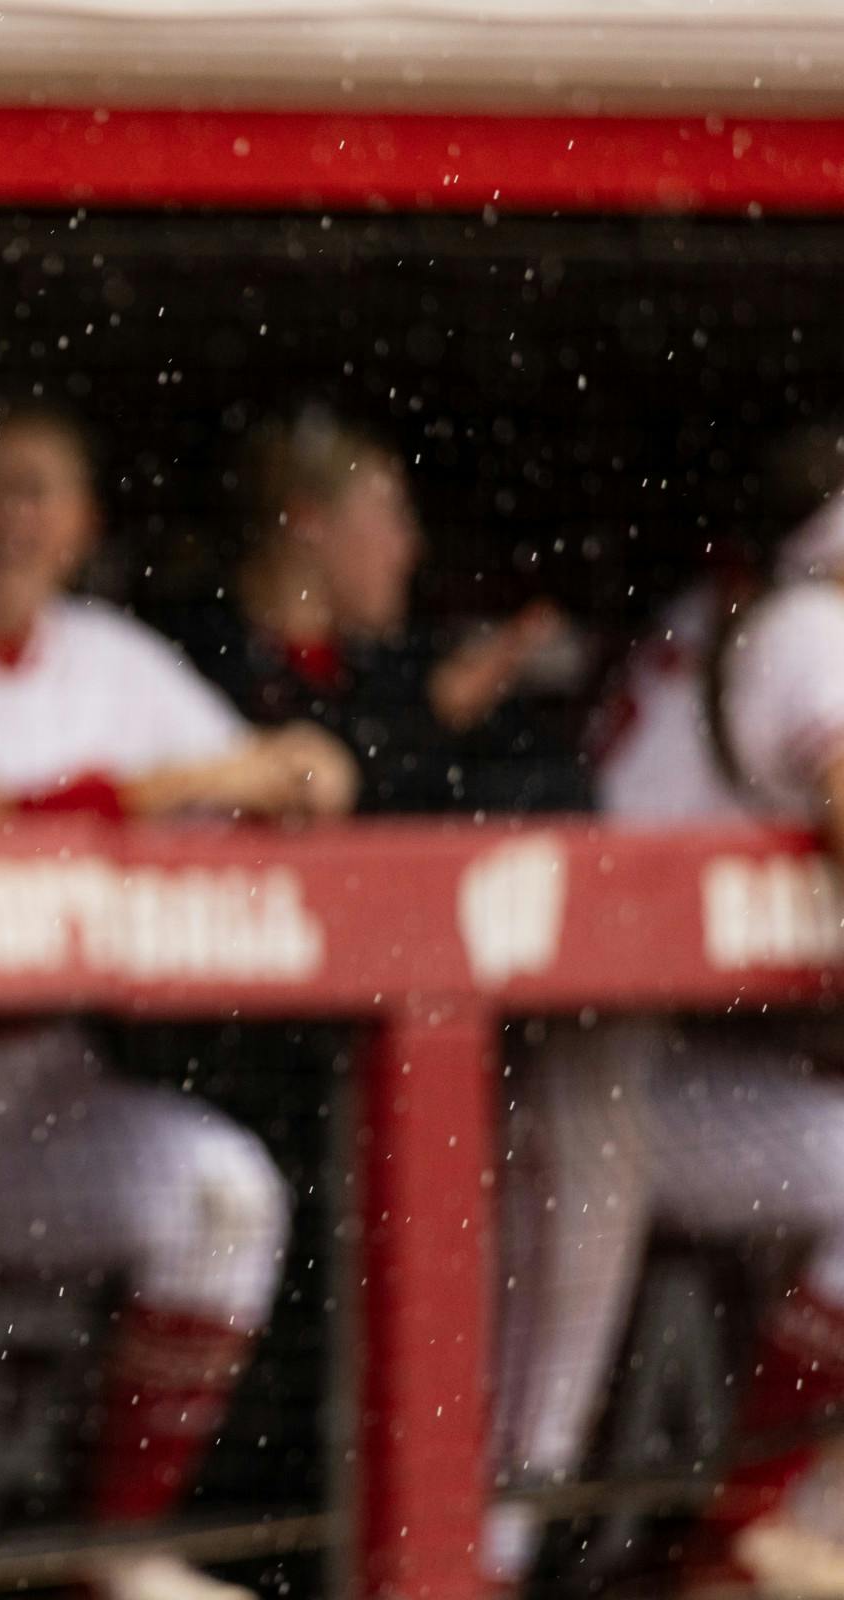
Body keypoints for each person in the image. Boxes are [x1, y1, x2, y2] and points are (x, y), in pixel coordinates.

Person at [0, 405, 355, 1600]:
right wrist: (184, 783)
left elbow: (306, 771)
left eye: (39, 493)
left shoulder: (109, 656)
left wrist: (285, 769)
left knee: (223, 1197)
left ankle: (113, 1551)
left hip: (44, 1079)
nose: (10, 519)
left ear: (84, 524)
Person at [489, 472, 844, 1598]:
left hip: (642, 1052)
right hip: (549, 1047)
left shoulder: (741, 610)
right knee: (526, 1411)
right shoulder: (806, 625)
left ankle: (724, 1543)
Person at [175, 408, 578, 815]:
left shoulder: (402, 666)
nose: (410, 547)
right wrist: (430, 717)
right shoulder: (200, 662)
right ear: (308, 522)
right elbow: (302, 792)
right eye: (391, 514)